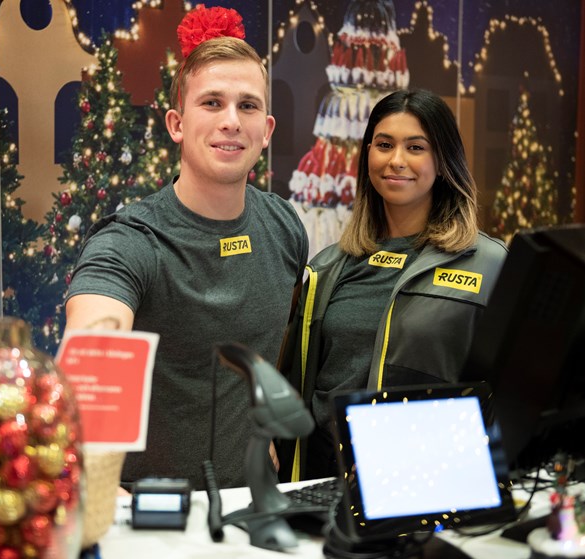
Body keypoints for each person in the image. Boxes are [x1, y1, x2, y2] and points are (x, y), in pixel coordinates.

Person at [64, 5, 309, 490]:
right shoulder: (131, 240)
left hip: (250, 511)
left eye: (248, 105)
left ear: (267, 131)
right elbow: (93, 345)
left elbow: (280, 346)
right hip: (150, 518)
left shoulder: (284, 226)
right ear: (177, 124)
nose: (231, 121)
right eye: (212, 103)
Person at [277, 88, 508, 482]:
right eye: (384, 145)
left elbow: (506, 396)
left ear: (443, 159)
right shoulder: (328, 267)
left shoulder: (488, 264)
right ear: (368, 154)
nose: (396, 160)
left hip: (424, 484)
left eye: (416, 147)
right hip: (321, 481)